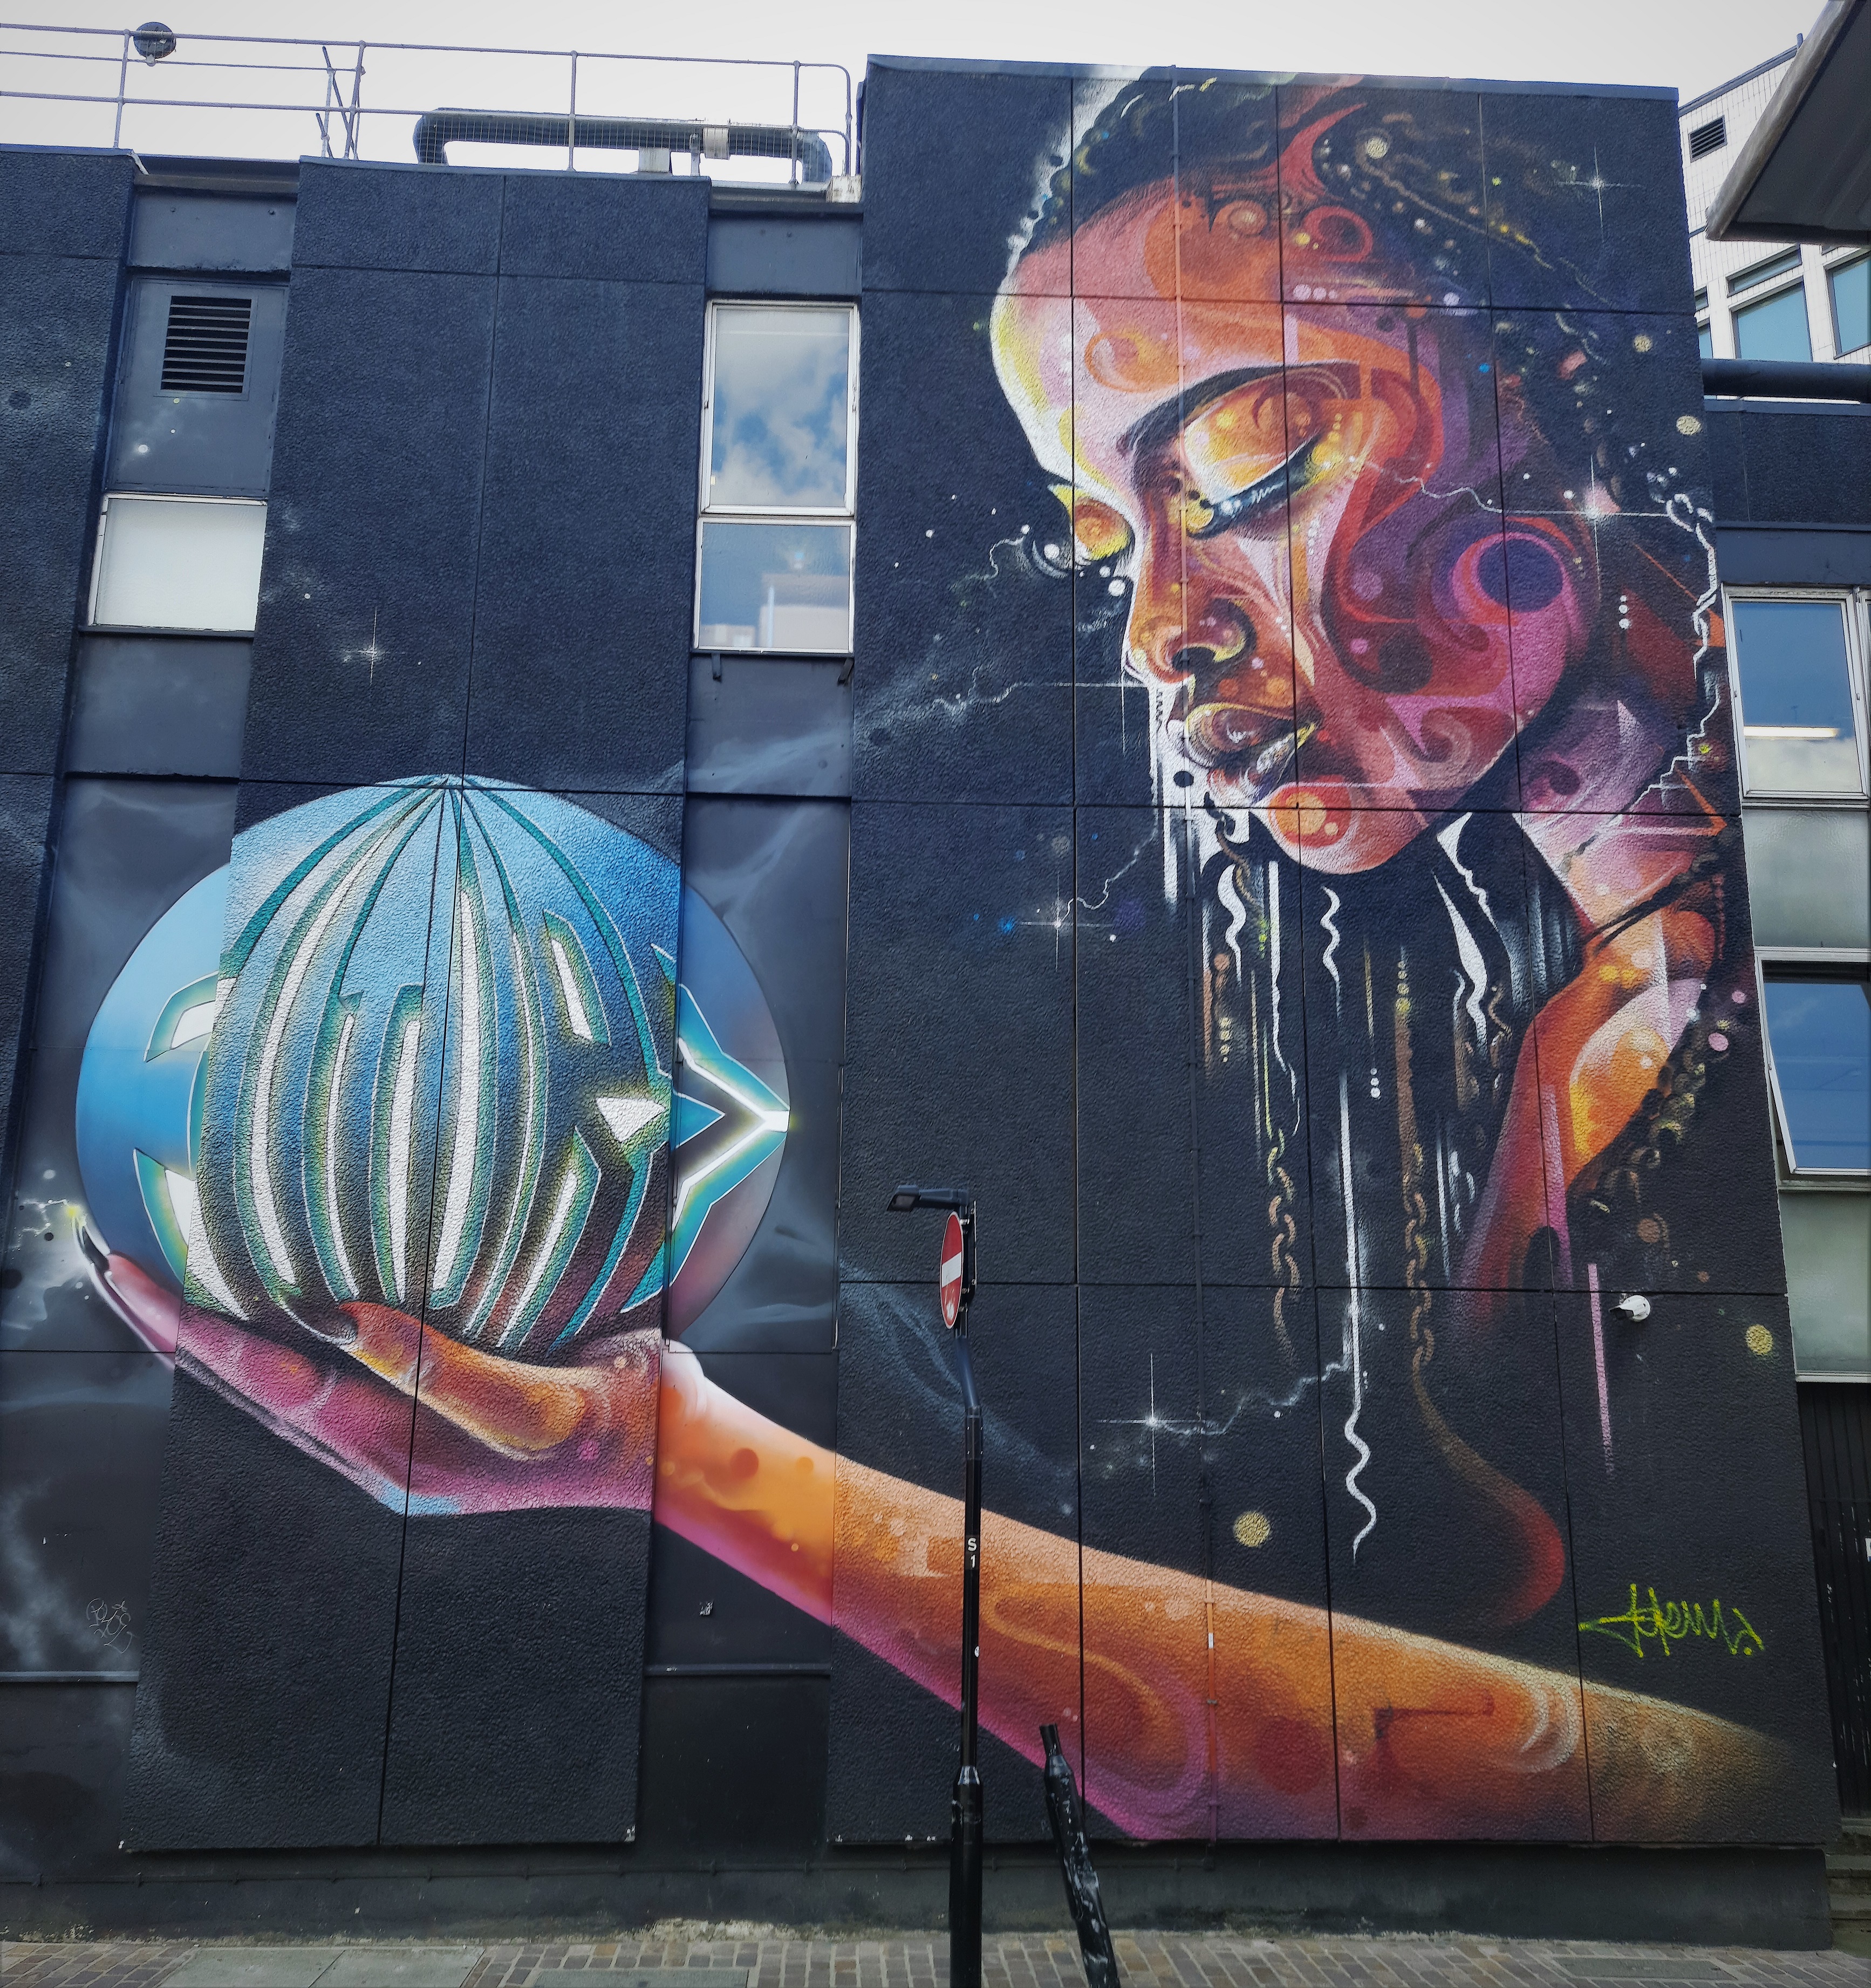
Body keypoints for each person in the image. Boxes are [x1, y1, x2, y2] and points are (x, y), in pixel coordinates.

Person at [105, 75, 1781, 1844]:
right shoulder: (1585, 1024)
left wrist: (699, 1461)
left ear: (1559, 389)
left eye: (1247, 467)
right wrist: (769, 1419)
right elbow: (1458, 1553)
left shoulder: (1677, 1036)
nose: (1159, 630)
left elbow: (1665, 1785)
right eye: (1103, 543)